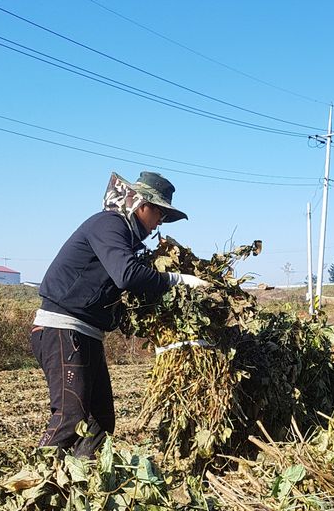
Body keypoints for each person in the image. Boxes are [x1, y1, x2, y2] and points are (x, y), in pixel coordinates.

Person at [31, 170, 205, 456]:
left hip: (86, 334)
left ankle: (78, 482)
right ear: (142, 204)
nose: (159, 222)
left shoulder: (123, 237)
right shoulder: (109, 225)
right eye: (159, 213)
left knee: (101, 421)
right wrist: (177, 280)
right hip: (62, 329)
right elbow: (126, 275)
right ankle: (37, 486)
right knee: (69, 417)